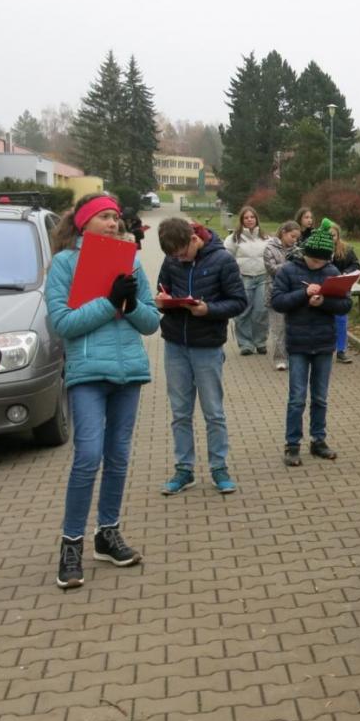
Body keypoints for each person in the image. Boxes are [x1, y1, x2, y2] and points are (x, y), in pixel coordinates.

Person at [45, 193, 161, 590]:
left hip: (129, 372)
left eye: (116, 217)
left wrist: (128, 305)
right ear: (84, 223)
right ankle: (71, 542)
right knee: (88, 455)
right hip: (88, 373)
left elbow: (151, 322)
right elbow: (62, 322)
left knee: (119, 456)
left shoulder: (129, 260)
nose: (114, 223)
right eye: (105, 217)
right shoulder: (64, 263)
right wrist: (107, 302)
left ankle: (107, 533)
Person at [155, 218, 248, 496]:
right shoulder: (172, 259)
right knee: (180, 413)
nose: (179, 259)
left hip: (207, 346)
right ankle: (184, 470)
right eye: (173, 256)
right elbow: (162, 289)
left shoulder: (223, 260)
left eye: (182, 253)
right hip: (175, 345)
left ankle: (219, 468)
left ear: (195, 239)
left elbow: (239, 302)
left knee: (214, 412)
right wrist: (162, 302)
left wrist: (208, 309)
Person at [270, 219, 353, 466]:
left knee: (320, 397)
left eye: (323, 260)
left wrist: (324, 302)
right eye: (314, 260)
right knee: (297, 397)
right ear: (305, 254)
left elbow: (345, 304)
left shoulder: (331, 272)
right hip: (298, 343)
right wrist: (303, 294)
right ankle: (292, 444)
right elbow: (277, 302)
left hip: (324, 342)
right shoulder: (288, 271)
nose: (319, 264)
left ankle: (318, 440)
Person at [224, 206, 269, 356]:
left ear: (256, 219)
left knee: (261, 311)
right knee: (243, 312)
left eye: (252, 217)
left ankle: (260, 341)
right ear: (242, 220)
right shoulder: (233, 239)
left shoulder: (266, 238)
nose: (249, 220)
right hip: (243, 278)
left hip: (263, 277)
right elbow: (226, 258)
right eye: (246, 218)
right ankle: (245, 343)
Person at [263, 221, 300, 372]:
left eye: (297, 238)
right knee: (278, 329)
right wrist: (289, 263)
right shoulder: (269, 248)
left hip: (292, 293)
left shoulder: (297, 250)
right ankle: (280, 359)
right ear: (283, 232)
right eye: (292, 236)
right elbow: (272, 269)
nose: (294, 240)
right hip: (274, 293)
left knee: (291, 327)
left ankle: (293, 357)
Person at [328, 222, 360, 364]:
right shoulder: (320, 249)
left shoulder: (347, 249)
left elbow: (355, 265)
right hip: (325, 288)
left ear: (338, 236)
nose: (331, 239)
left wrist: (345, 273)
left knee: (341, 319)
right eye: (328, 236)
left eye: (333, 236)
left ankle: (341, 350)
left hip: (341, 288)